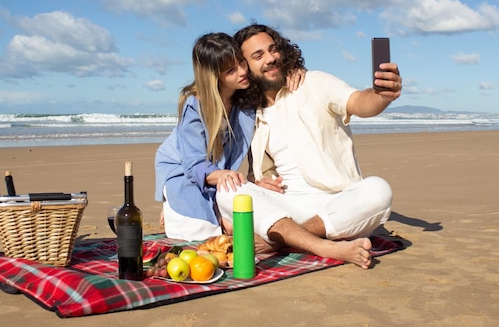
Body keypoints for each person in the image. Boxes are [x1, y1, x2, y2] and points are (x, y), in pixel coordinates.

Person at [215, 24, 402, 269]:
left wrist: (382, 95)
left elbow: (360, 102)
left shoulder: (314, 83)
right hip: (286, 208)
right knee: (228, 189)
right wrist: (257, 182)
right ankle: (324, 245)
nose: (271, 59)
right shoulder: (251, 113)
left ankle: (279, 243)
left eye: (273, 50)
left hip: (335, 205)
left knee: (379, 191)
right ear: (245, 67)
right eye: (258, 56)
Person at [154, 32, 304, 241]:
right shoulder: (195, 105)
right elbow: (194, 164)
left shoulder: (246, 93)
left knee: (250, 221)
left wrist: (295, 70)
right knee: (207, 235)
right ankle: (174, 203)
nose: (243, 71)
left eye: (242, 62)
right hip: (185, 169)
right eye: (231, 70)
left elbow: (273, 76)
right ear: (214, 76)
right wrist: (223, 175)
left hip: (218, 171)